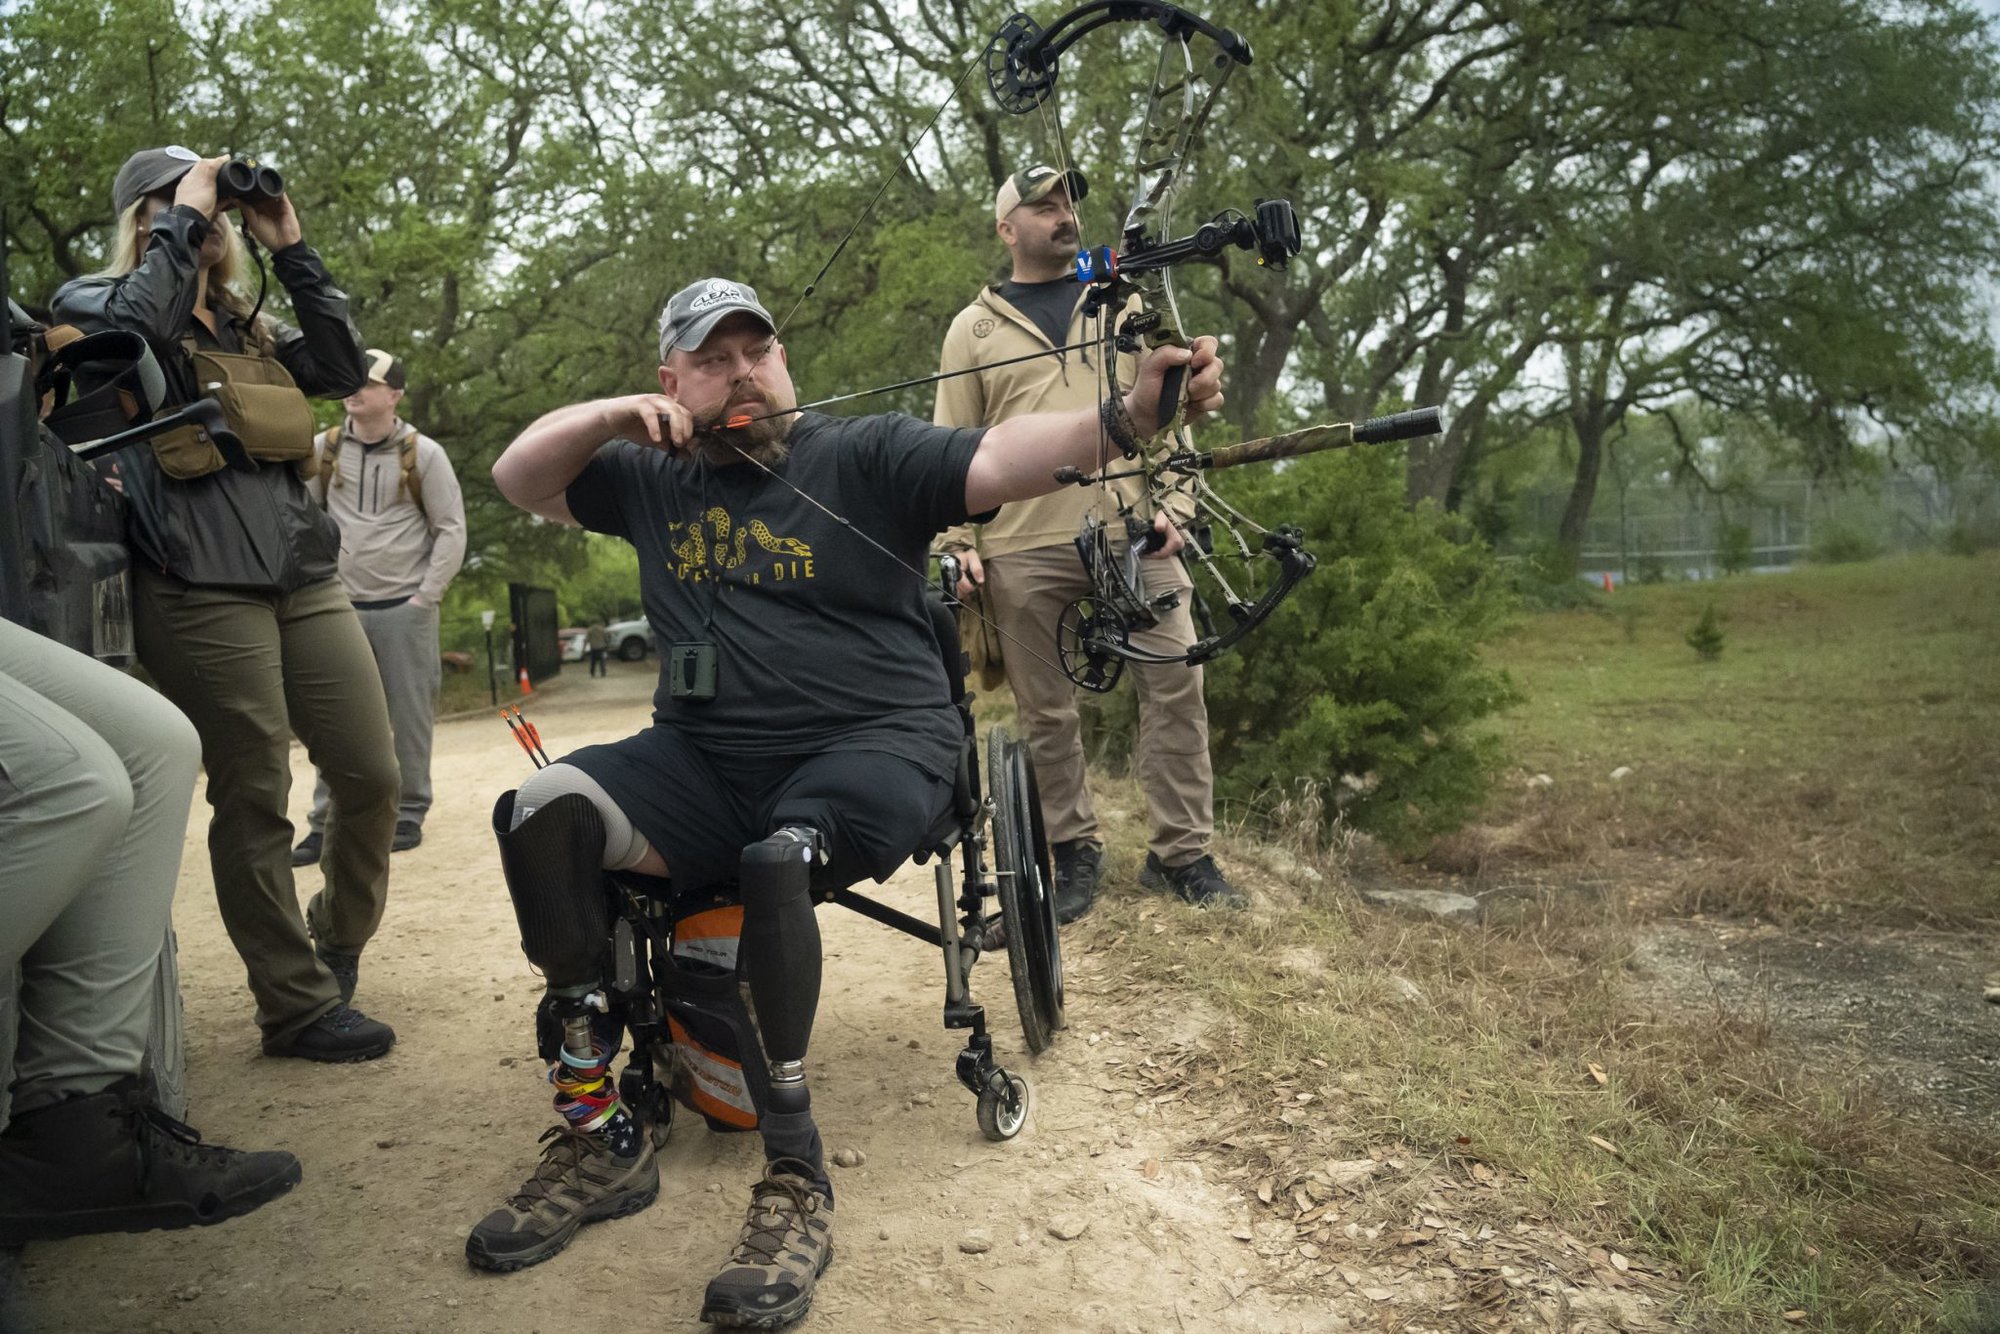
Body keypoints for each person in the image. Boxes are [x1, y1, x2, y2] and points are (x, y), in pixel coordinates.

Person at [469, 276, 1222, 1327]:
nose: (742, 372)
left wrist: (1130, 415)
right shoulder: (645, 474)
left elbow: (1002, 456)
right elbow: (516, 475)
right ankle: (599, 1128)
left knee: (778, 853)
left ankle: (795, 1174)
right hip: (701, 758)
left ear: (784, 362)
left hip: (874, 748)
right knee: (541, 804)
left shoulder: (864, 454)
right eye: (714, 358)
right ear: (671, 381)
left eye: (757, 351)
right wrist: (608, 420)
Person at [52, 147, 399, 1062]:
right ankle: (295, 1007)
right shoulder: (97, 302)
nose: (205, 215)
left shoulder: (249, 325)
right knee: (254, 790)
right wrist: (187, 220)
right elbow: (133, 333)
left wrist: (289, 243)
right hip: (192, 575)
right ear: (145, 218)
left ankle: (336, 946)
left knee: (370, 774)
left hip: (298, 568)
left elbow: (338, 365)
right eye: (176, 202)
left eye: (207, 200)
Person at [934, 164, 1245, 923]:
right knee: (1047, 712)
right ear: (1007, 230)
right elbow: (949, 447)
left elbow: (1173, 416)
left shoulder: (1128, 298)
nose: (1062, 215)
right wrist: (954, 540)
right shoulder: (971, 330)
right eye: (1041, 206)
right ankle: (1071, 855)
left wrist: (1175, 500)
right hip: (1020, 546)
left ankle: (1182, 856)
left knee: (1176, 688)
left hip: (1135, 536)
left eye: (1067, 201)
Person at [291, 348, 466, 864]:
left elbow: (451, 529)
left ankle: (408, 812)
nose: (354, 388)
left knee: (409, 717)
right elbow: (302, 521)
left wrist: (424, 598)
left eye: (366, 381)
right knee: (331, 718)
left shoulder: (424, 453)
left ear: (394, 394)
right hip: (336, 607)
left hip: (404, 607)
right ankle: (325, 823)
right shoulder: (321, 448)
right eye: (347, 379)